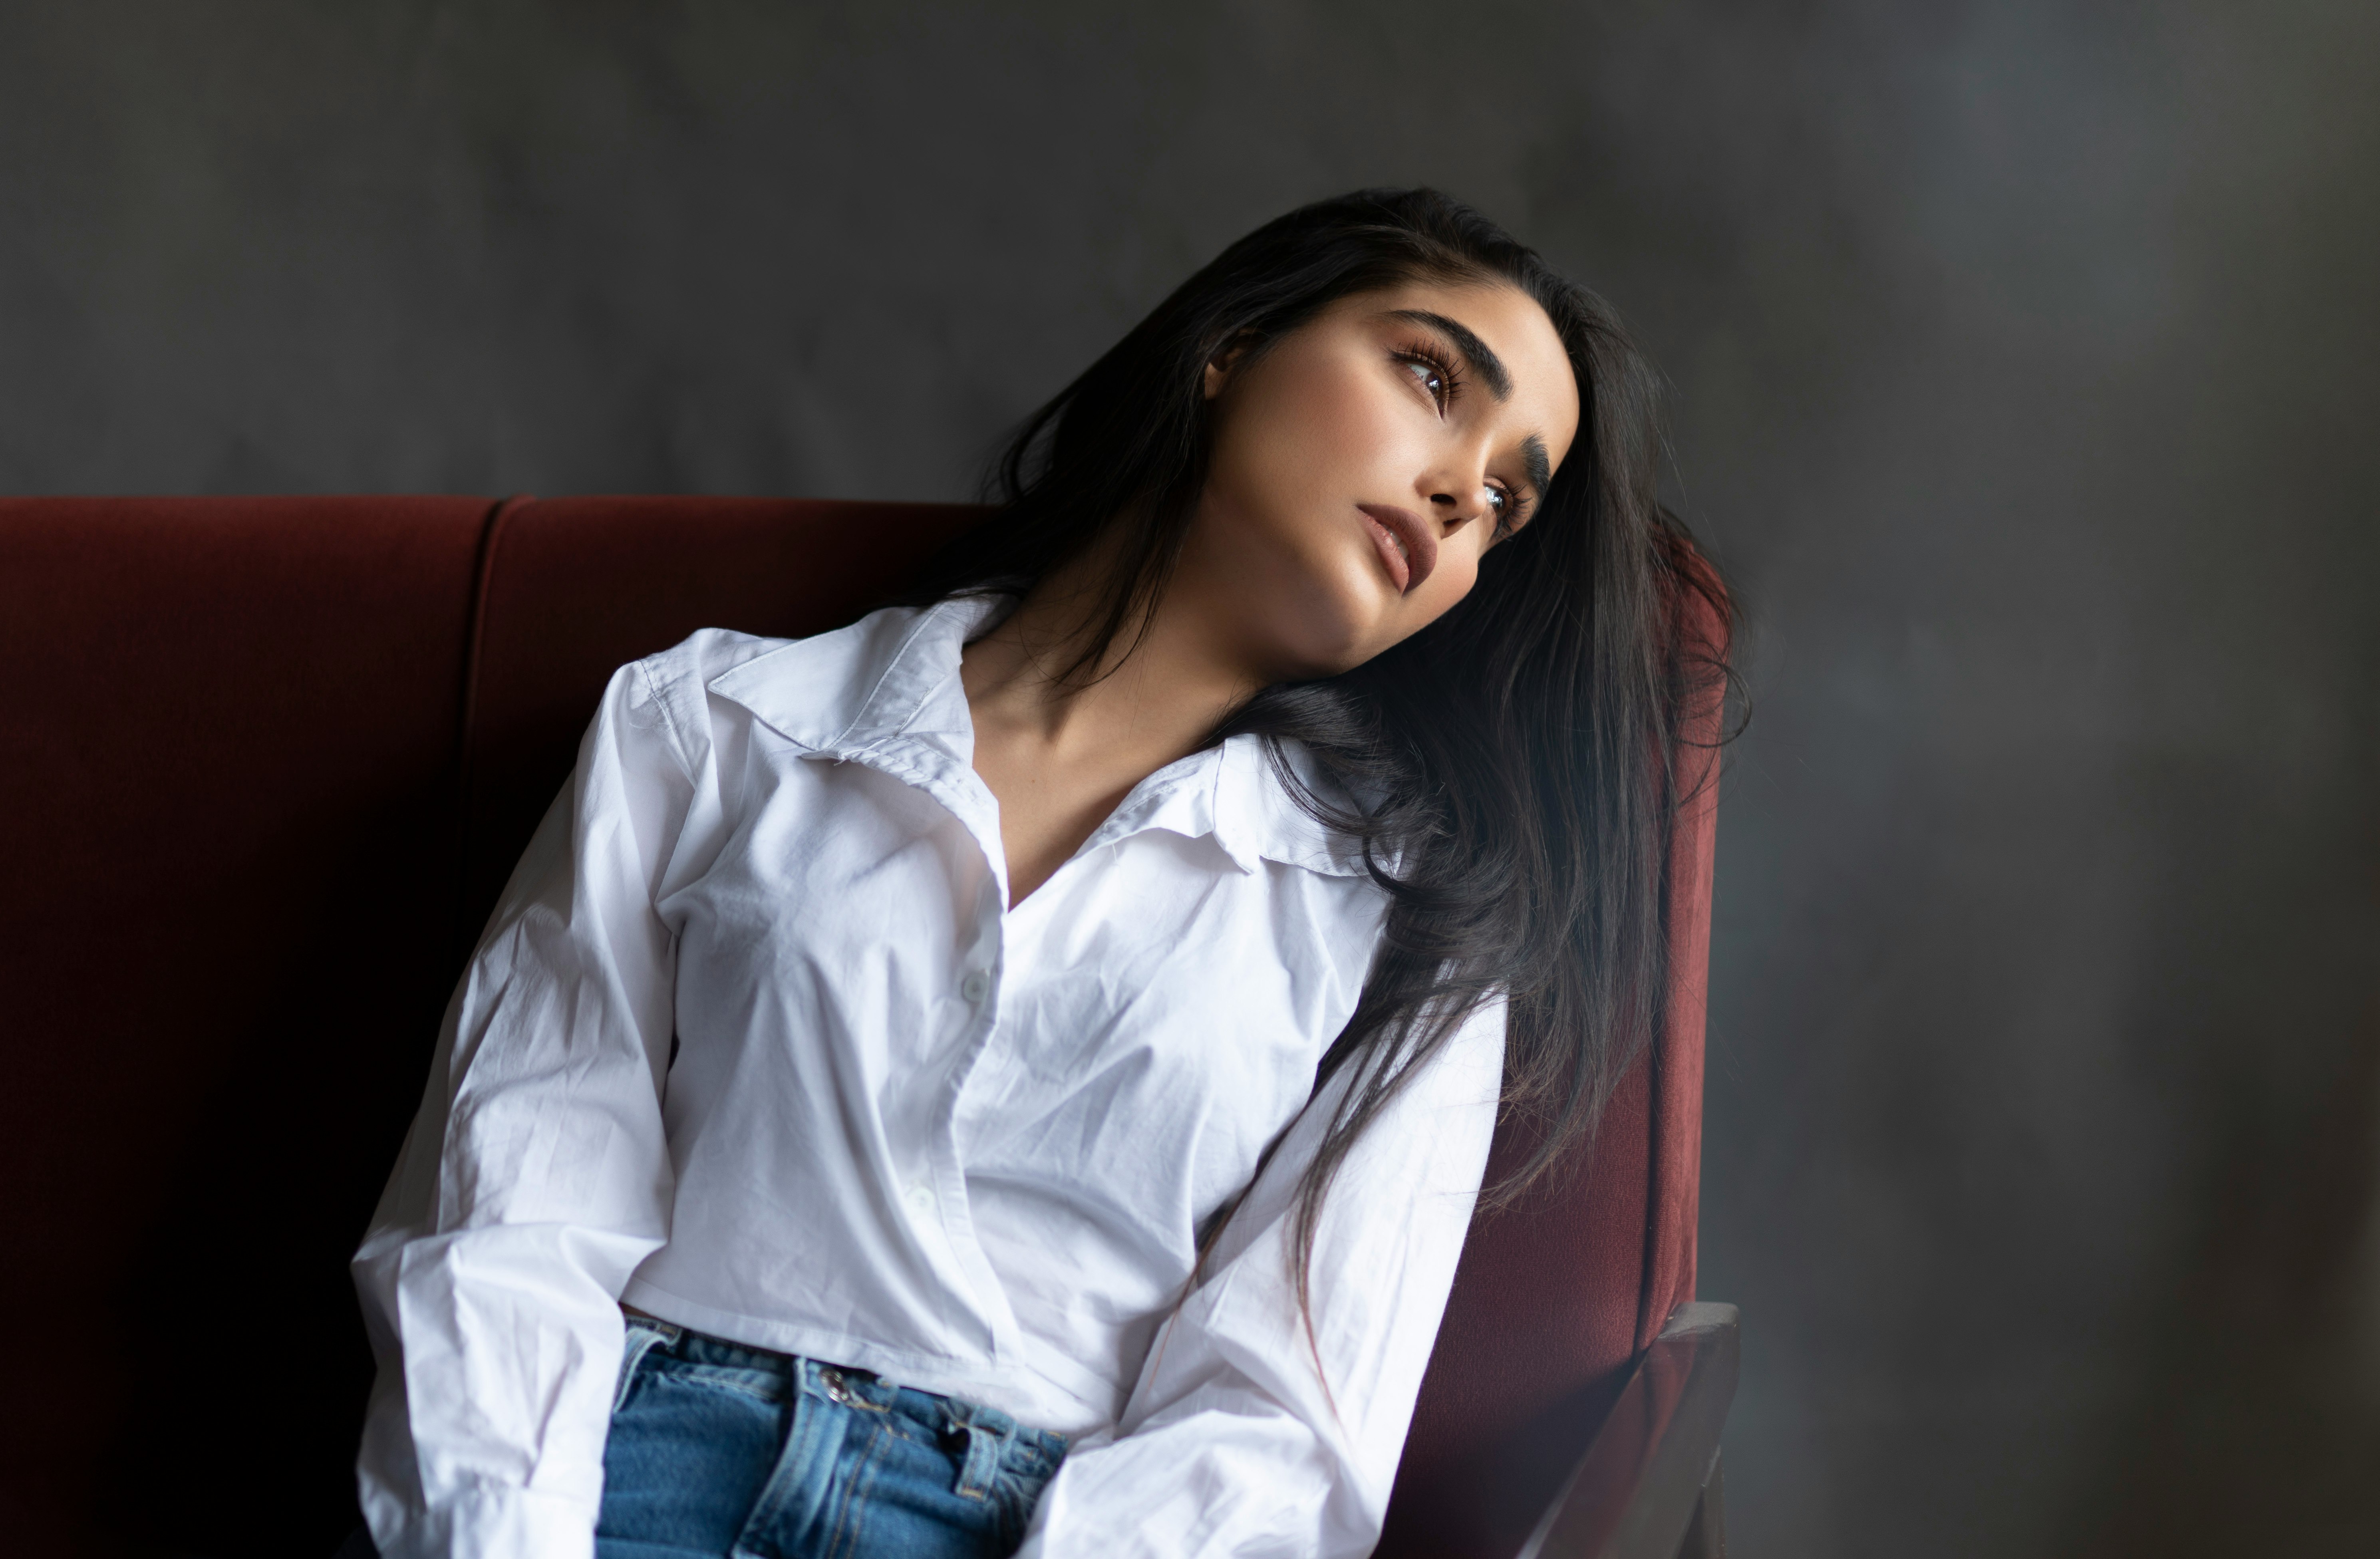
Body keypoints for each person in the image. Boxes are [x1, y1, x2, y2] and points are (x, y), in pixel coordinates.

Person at [350, 187, 1729, 1559]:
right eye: (1430, 378)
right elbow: (507, 1221)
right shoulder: (711, 725)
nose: (1456, 495)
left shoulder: (1409, 934)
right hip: (604, 1476)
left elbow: (1278, 1433)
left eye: (1502, 501)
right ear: (1233, 345)